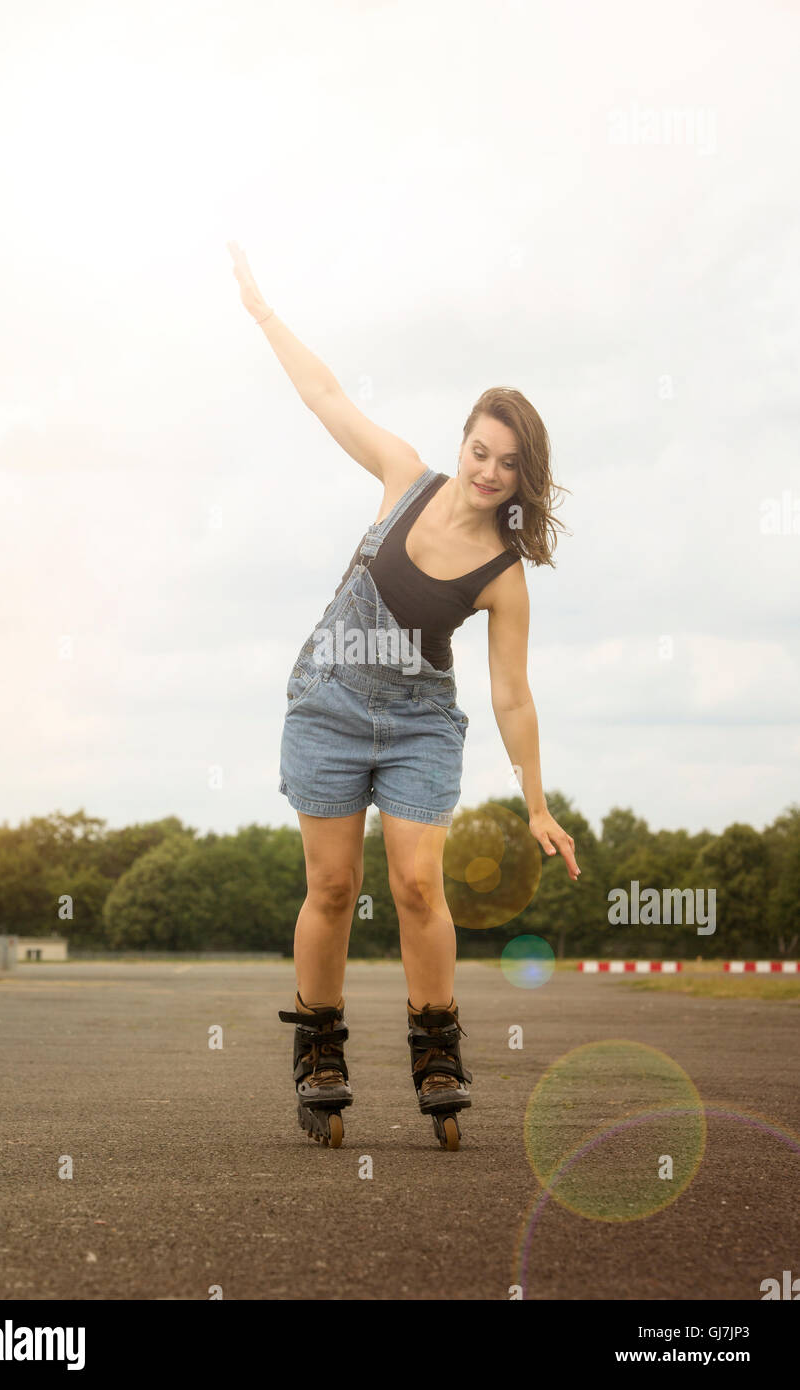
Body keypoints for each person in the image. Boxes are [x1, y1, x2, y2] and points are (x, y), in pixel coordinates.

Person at [228, 241, 581, 1149]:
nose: (487, 470)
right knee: (334, 885)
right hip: (330, 701)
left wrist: (537, 803)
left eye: (507, 463)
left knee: (419, 886)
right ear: (463, 442)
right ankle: (319, 1050)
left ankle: (436, 1051)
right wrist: (267, 316)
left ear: (522, 478)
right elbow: (327, 397)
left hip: (421, 721)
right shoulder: (404, 476)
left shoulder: (505, 574)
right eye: (480, 449)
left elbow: (512, 697)